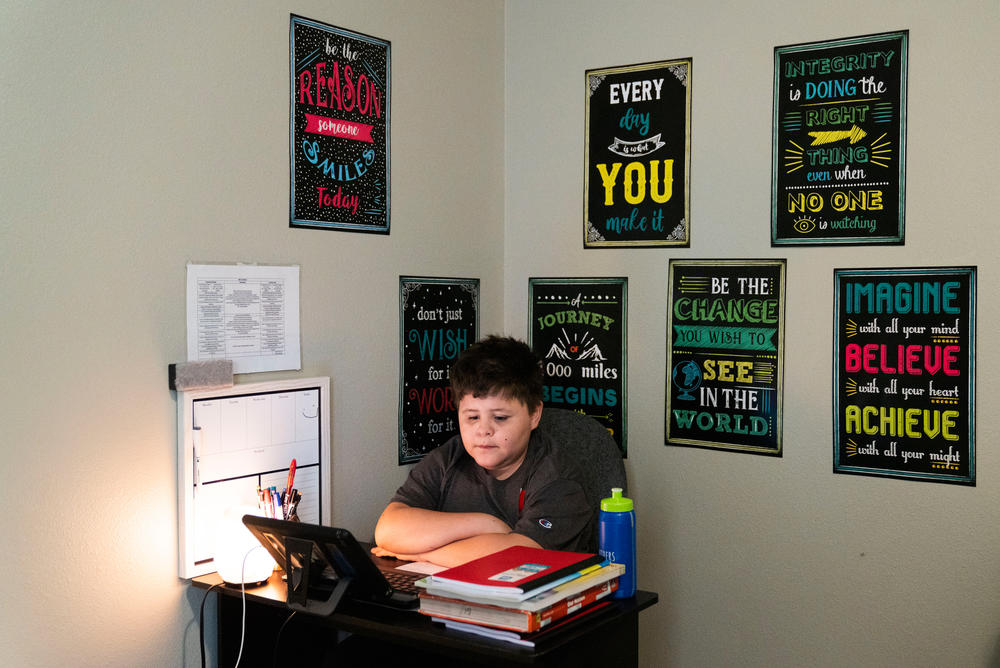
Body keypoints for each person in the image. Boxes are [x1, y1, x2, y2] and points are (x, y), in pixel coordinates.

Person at [372, 335, 594, 567]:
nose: (483, 430)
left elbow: (519, 557)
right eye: (472, 417)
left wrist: (425, 554)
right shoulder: (450, 457)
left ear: (534, 415)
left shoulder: (558, 479)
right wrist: (485, 524)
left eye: (500, 418)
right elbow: (388, 530)